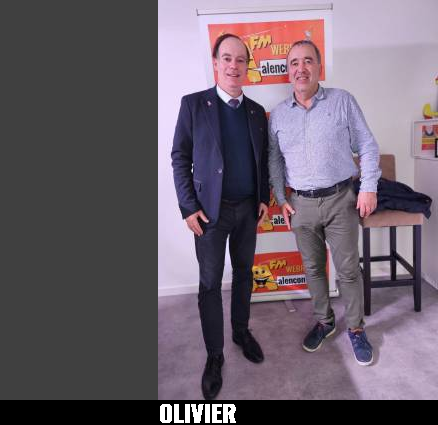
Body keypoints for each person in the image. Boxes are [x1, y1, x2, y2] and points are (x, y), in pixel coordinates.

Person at [268, 40, 381, 366]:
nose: (300, 69)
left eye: (307, 61)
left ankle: (356, 328)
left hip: (340, 199)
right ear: (288, 71)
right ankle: (325, 321)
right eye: (294, 63)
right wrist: (281, 198)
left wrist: (368, 187)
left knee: (348, 270)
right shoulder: (278, 115)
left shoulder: (342, 101)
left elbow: (367, 145)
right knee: (313, 269)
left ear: (319, 66)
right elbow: (274, 160)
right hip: (301, 205)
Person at [171, 33, 269, 399]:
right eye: (227, 58)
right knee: (210, 285)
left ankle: (241, 332)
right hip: (208, 215)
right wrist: (188, 207)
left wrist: (263, 197)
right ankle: (215, 355)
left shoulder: (256, 112)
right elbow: (180, 158)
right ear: (216, 63)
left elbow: (262, 159)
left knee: (244, 273)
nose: (233, 65)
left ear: (247, 67)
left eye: (240, 60)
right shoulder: (194, 105)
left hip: (247, 209)